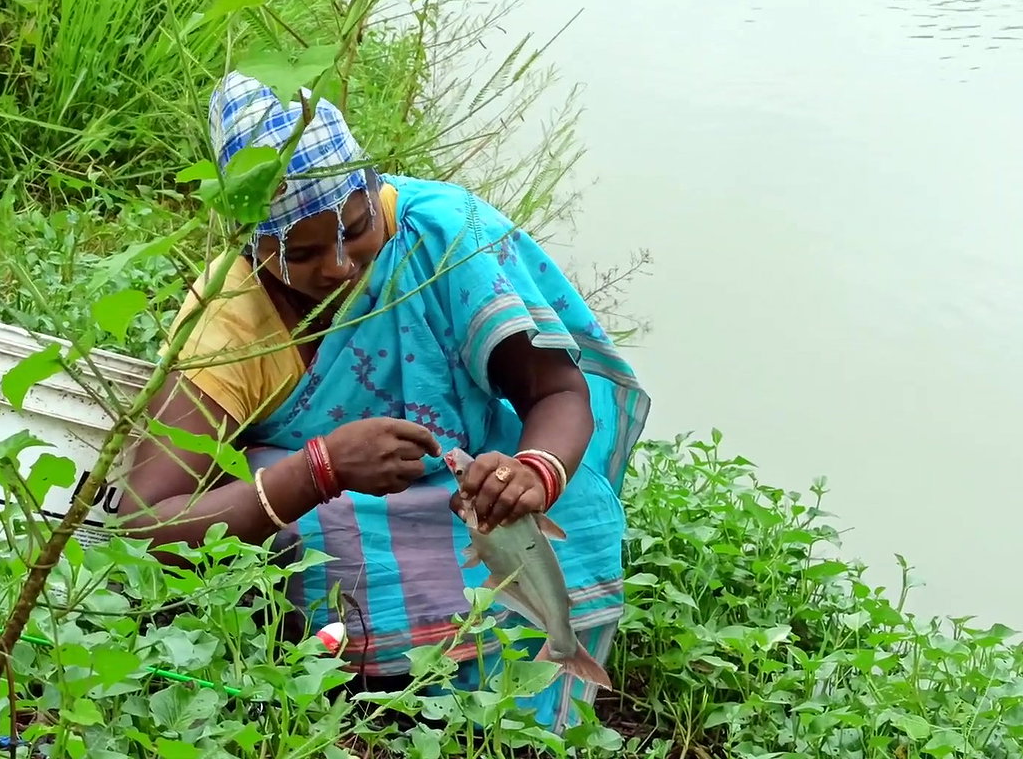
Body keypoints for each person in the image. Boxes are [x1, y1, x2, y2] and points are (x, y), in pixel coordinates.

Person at [125, 70, 650, 732]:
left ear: (375, 190)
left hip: (478, 484)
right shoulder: (232, 321)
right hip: (338, 507)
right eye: (304, 252)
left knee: (583, 514)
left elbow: (557, 391)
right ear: (253, 246)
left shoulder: (442, 237)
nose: (341, 266)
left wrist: (529, 474)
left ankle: (517, 696)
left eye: (355, 227)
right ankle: (392, 702)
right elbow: (147, 526)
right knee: (321, 546)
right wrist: (318, 469)